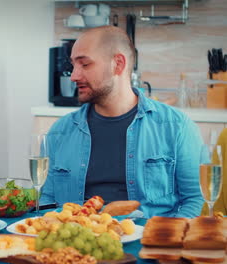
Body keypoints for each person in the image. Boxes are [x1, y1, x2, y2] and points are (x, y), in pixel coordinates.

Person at [40, 26, 204, 218]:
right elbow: (48, 200)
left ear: (118, 64)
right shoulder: (60, 132)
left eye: (84, 65)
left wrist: (164, 239)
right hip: (77, 242)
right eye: (73, 65)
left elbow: (195, 200)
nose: (74, 75)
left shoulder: (177, 127)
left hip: (146, 242)